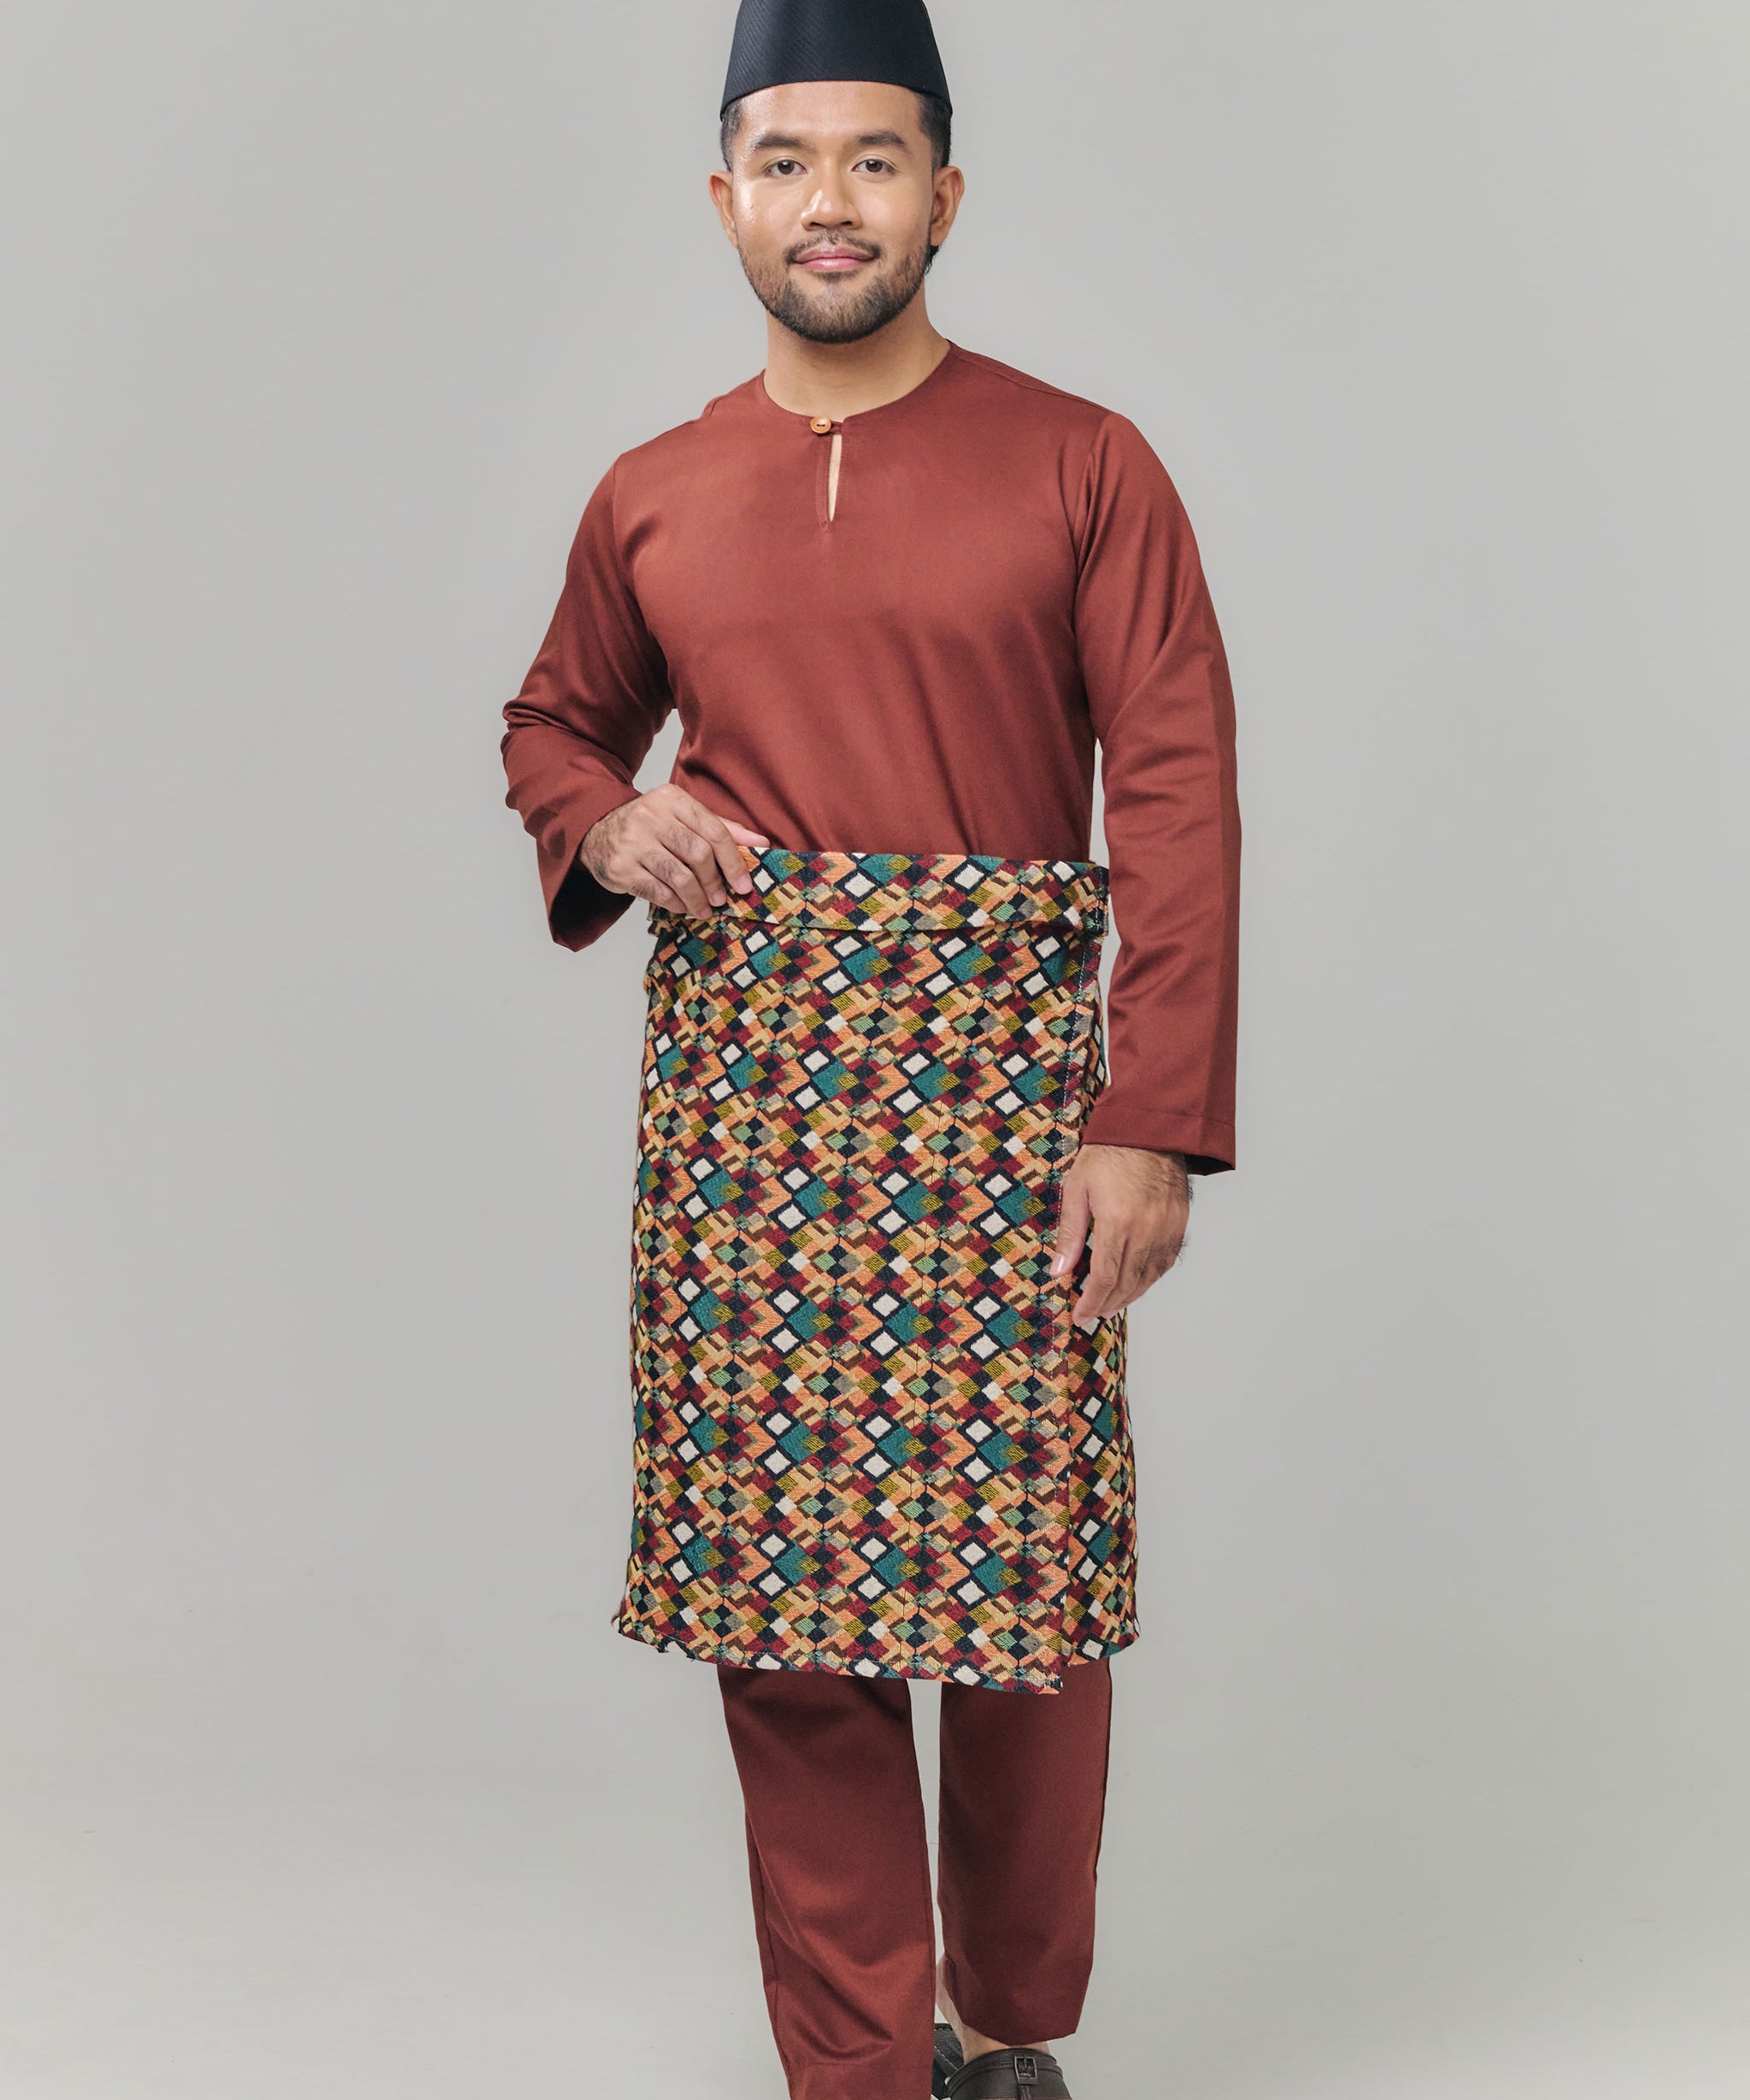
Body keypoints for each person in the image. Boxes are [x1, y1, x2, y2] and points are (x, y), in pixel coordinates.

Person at [497, 4, 1241, 2096]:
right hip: (749, 1102)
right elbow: (553, 724)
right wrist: (607, 820)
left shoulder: (1085, 462)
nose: (829, 202)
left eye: (874, 159)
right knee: (781, 1611)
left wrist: (1149, 1116)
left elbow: (1175, 789)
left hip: (1011, 1102)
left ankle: (1003, 2028)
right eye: (787, 161)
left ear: (945, 194)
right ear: (726, 196)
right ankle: (849, 2066)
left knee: (1021, 1606)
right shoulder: (650, 490)